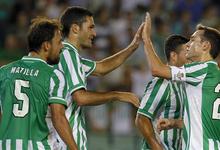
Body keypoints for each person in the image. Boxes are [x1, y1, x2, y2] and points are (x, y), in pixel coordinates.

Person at [56, 6, 141, 150]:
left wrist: (133, 46)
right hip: (65, 142)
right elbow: (80, 98)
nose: (94, 33)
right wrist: (117, 95)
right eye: (90, 27)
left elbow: (101, 68)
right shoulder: (68, 54)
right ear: (75, 29)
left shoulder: (66, 55)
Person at [142, 12, 220, 150]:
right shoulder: (215, 74)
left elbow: (157, 70)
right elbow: (206, 119)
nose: (188, 44)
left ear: (205, 46)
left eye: (192, 40)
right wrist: (174, 123)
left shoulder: (202, 69)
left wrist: (146, 39)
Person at [0, 17, 78, 150]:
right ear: (46, 46)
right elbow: (58, 118)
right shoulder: (54, 75)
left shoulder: (3, 72)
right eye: (59, 42)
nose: (62, 46)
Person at [136, 35, 189, 150]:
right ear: (174, 56)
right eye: (187, 53)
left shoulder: (184, 83)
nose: (190, 57)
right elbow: (142, 119)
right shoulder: (162, 83)